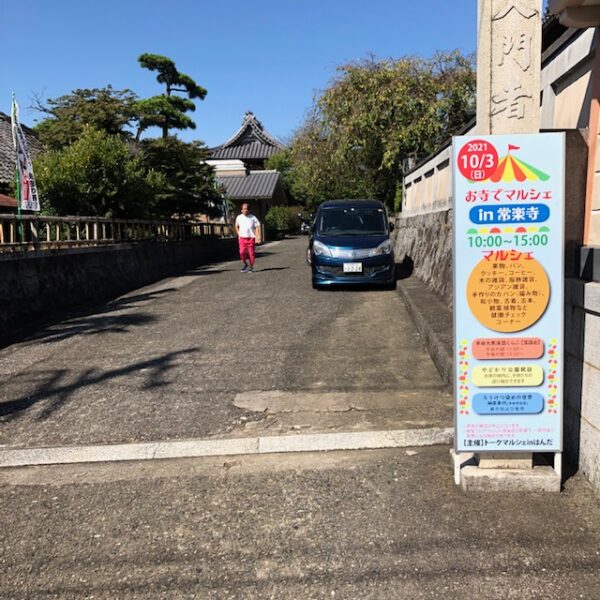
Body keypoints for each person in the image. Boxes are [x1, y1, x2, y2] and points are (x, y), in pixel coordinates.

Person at [235, 203, 261, 272]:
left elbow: (257, 226)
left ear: (248, 210)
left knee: (251, 254)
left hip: (251, 238)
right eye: (244, 209)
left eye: (246, 209)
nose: (245, 210)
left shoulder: (253, 217)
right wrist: (238, 234)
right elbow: (236, 226)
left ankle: (251, 266)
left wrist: (258, 236)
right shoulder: (239, 217)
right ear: (241, 210)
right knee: (242, 252)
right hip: (242, 239)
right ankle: (245, 264)